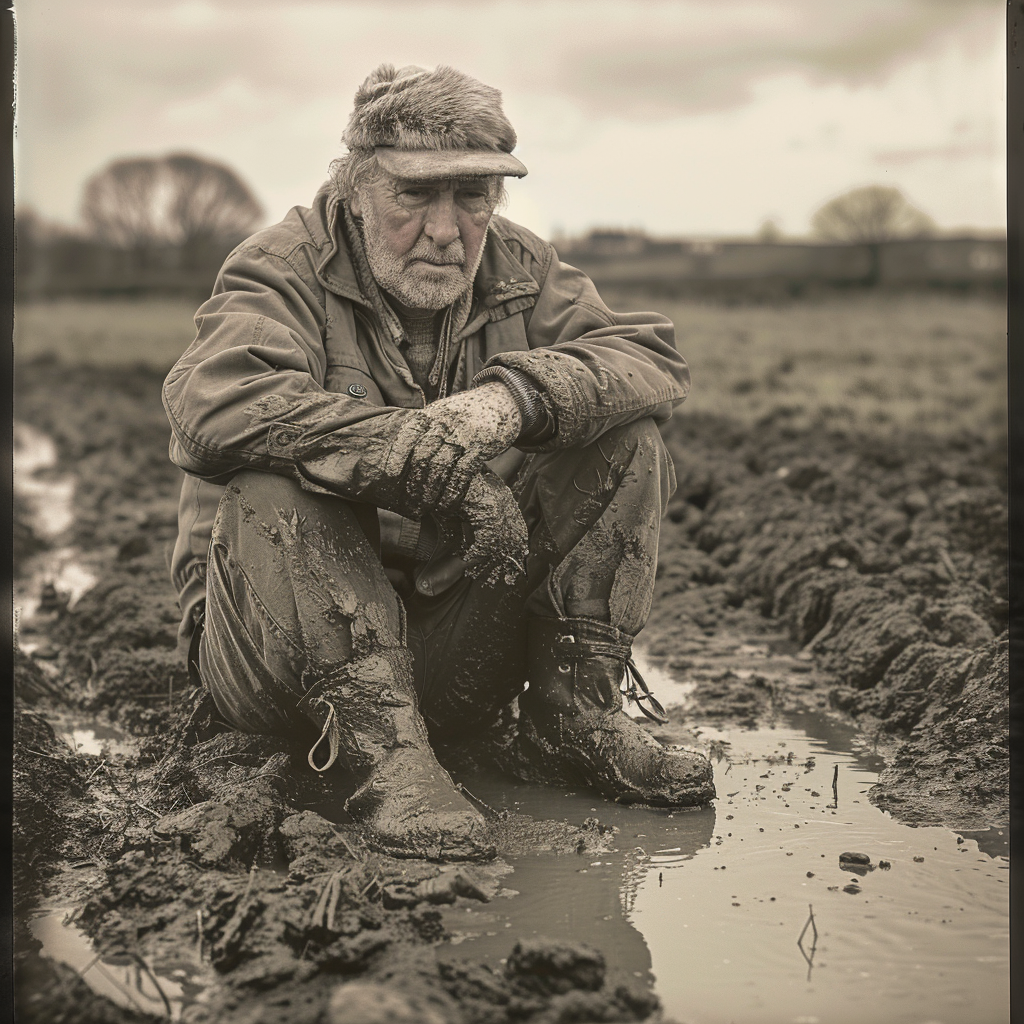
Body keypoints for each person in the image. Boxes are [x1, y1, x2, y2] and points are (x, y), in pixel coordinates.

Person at [163, 64, 715, 860]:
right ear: (355, 187)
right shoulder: (280, 266)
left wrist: (511, 401)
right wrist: (420, 458)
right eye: (415, 197)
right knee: (272, 475)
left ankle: (573, 717)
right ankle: (381, 760)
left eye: (473, 197)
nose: (448, 231)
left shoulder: (520, 268)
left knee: (624, 438)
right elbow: (211, 407)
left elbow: (649, 356)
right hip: (275, 660)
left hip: (453, 644)